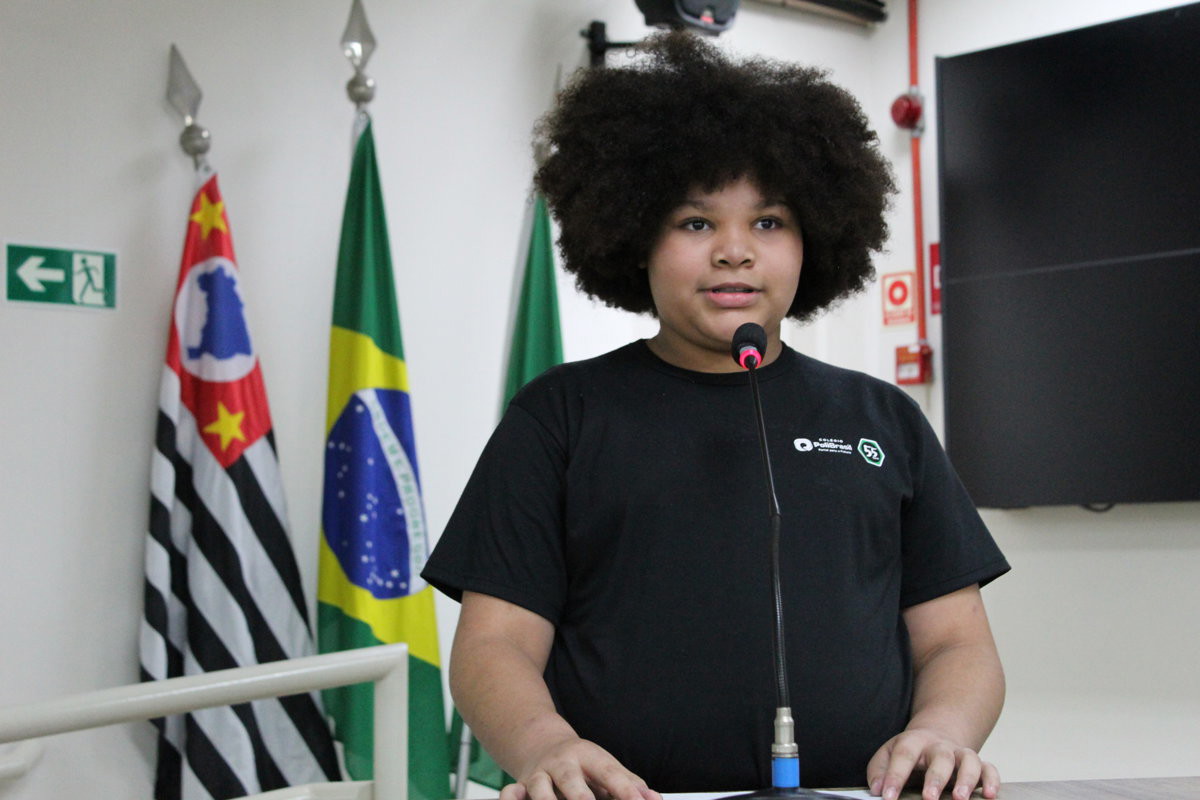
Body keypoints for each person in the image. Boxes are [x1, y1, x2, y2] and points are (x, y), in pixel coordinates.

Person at [422, 31, 1008, 800]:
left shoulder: (882, 418)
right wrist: (546, 749)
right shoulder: (558, 418)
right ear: (633, 238)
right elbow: (494, 644)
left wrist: (942, 734)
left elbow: (958, 643)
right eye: (696, 223)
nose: (735, 252)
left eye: (768, 222)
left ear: (815, 239)